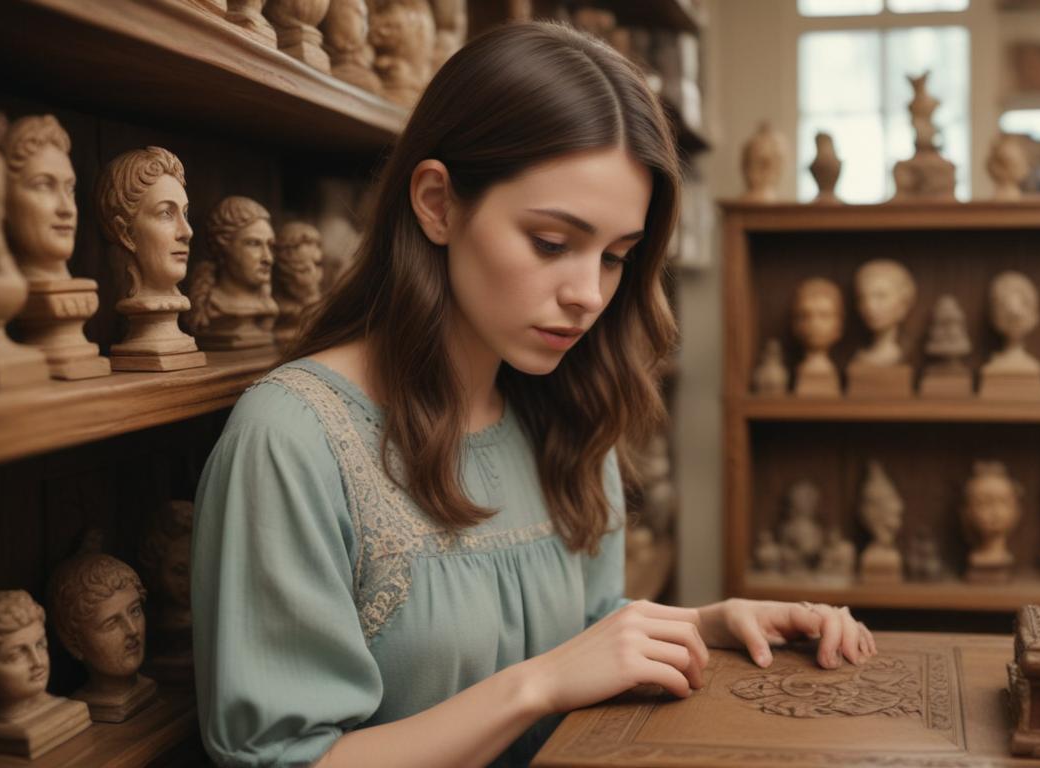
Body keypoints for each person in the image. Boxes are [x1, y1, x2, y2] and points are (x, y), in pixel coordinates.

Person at [192, 21, 875, 768]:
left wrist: (709, 624)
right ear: (437, 203)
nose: (588, 295)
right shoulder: (294, 442)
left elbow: (580, 632)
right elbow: (284, 759)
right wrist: (539, 686)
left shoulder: (570, 413)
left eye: (617, 257)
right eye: (552, 243)